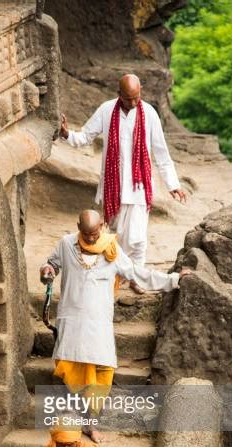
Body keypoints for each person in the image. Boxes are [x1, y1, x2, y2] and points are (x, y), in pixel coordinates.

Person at [40, 209, 192, 442]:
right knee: (73, 373)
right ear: (78, 228)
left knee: (103, 375)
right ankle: (80, 420)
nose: (91, 238)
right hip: (71, 322)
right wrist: (47, 271)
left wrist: (174, 279)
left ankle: (91, 423)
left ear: (102, 225)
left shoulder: (112, 250)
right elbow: (51, 265)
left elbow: (137, 274)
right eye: (86, 234)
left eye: (94, 233)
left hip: (99, 325)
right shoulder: (66, 244)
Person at [60, 73, 186, 294]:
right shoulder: (107, 110)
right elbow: (85, 137)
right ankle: (120, 274)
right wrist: (66, 134)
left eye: (137, 96)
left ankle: (137, 278)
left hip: (139, 188)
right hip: (113, 187)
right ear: (119, 95)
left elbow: (160, 152)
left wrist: (173, 184)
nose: (134, 102)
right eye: (129, 98)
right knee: (115, 236)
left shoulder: (150, 113)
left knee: (137, 239)